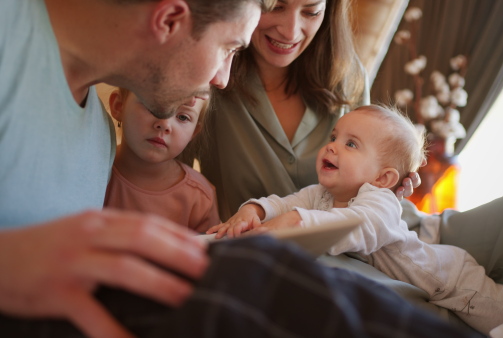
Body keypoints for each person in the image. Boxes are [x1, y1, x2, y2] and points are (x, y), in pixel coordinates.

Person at [0, 1, 477, 337]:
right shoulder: (11, 34)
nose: (223, 78)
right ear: (168, 18)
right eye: (230, 47)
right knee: (257, 279)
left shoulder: (99, 135)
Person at [209, 105, 503, 334]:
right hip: (421, 291)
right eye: (334, 137)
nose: (332, 146)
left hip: (453, 281)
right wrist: (252, 212)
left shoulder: (380, 203)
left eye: (351, 144)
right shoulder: (319, 193)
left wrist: (296, 221)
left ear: (383, 178)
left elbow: (357, 226)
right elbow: (283, 204)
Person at [195, 0, 421, 221]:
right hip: (246, 248)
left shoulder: (347, 76)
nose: (290, 32)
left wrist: (388, 190)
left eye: (311, 12)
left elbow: (364, 197)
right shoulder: (208, 74)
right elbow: (167, 176)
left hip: (347, 249)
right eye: (276, 7)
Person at [104, 87, 220, 233]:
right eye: (153, 106)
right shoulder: (93, 172)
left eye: (182, 117)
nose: (164, 124)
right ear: (118, 106)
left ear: (194, 133)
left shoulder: (200, 198)